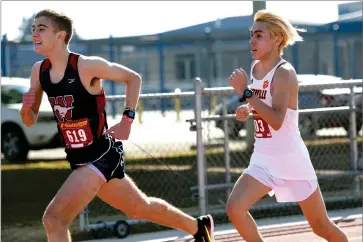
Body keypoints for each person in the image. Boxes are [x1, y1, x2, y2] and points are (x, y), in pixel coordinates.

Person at [20, 9, 214, 242]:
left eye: (41, 29)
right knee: (139, 207)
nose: (34, 34)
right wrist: (25, 107)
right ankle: (199, 227)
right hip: (79, 157)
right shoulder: (38, 72)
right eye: (33, 29)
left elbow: (133, 78)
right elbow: (28, 120)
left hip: (100, 156)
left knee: (54, 219)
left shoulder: (87, 66)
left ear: (61, 35)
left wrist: (127, 120)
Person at [227, 9, 348, 242]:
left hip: (291, 158)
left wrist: (245, 92)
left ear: (277, 39)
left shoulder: (284, 73)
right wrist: (248, 110)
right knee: (234, 209)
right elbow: (263, 107)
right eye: (251, 35)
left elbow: (277, 120)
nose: (252, 40)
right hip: (263, 157)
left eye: (259, 35)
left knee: (321, 226)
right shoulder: (255, 69)